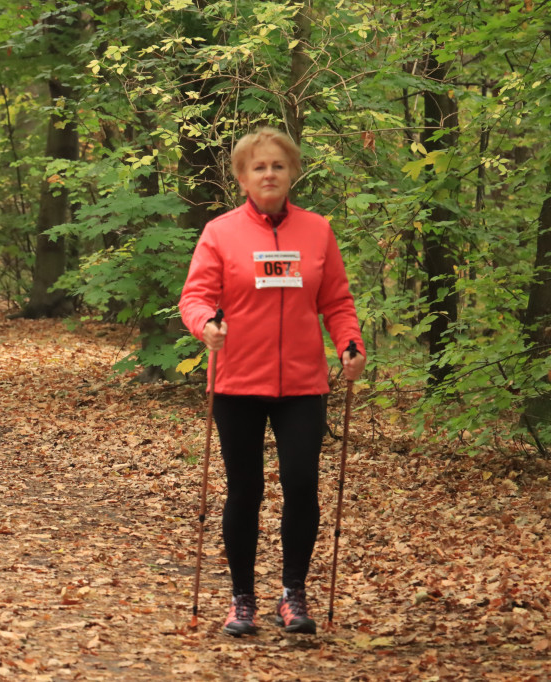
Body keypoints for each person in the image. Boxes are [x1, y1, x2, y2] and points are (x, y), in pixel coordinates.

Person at [178, 128, 366, 637]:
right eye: (258, 167)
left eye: (278, 166)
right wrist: (206, 326)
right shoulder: (221, 232)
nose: (268, 174)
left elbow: (337, 303)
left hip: (303, 384)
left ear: (292, 174)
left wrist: (351, 344)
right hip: (237, 381)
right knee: (246, 489)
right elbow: (194, 297)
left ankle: (293, 593)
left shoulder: (317, 231)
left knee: (302, 485)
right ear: (242, 177)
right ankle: (242, 600)